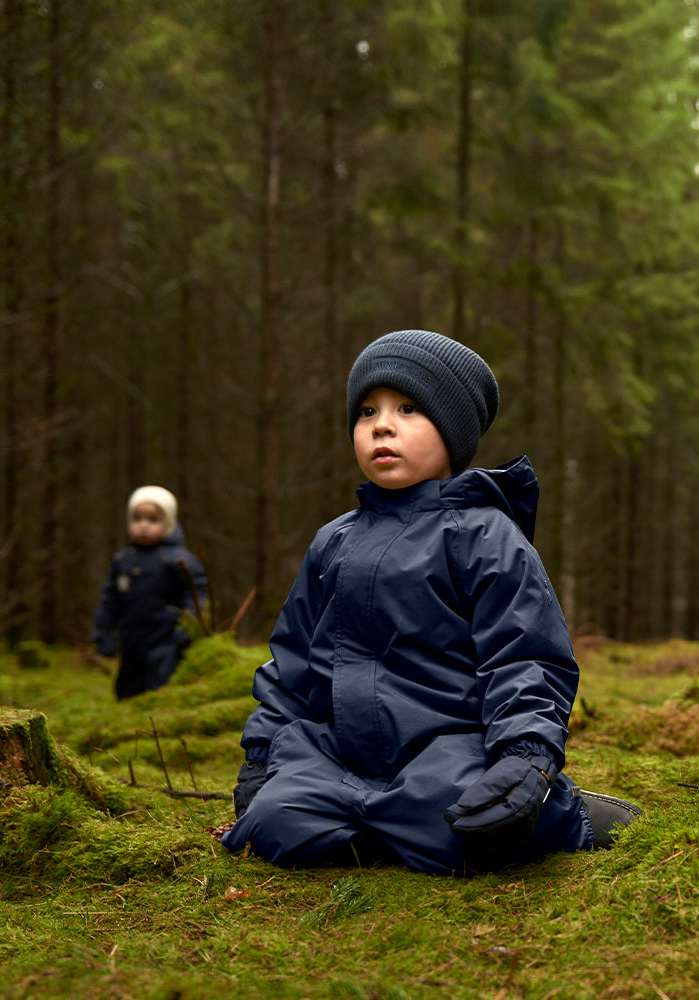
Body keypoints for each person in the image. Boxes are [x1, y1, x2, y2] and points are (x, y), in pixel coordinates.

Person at [221, 330, 641, 875]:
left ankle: (560, 809)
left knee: (467, 826)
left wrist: (526, 756)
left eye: (409, 408)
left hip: (449, 751)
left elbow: (525, 659)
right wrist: (261, 757)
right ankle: (376, 825)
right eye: (367, 411)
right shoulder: (332, 542)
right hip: (338, 757)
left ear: (453, 430)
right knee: (272, 825)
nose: (382, 425)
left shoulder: (487, 536)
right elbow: (293, 662)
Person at [92, 485, 209, 700]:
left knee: (161, 690)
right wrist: (104, 631)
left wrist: (189, 629)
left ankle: (159, 728)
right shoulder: (123, 559)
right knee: (127, 691)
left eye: (153, 519)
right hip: (131, 641)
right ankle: (129, 728)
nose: (143, 525)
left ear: (169, 522)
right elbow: (110, 598)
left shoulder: (179, 560)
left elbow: (196, 594)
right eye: (137, 518)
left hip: (166, 642)